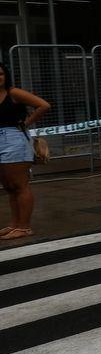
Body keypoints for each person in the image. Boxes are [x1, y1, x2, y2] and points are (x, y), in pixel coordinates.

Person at [0, 62, 50, 240]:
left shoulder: (13, 93)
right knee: (9, 187)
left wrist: (27, 122)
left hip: (13, 139)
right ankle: (14, 224)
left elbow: (43, 105)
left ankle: (25, 226)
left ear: (6, 76)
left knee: (20, 185)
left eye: (1, 74)